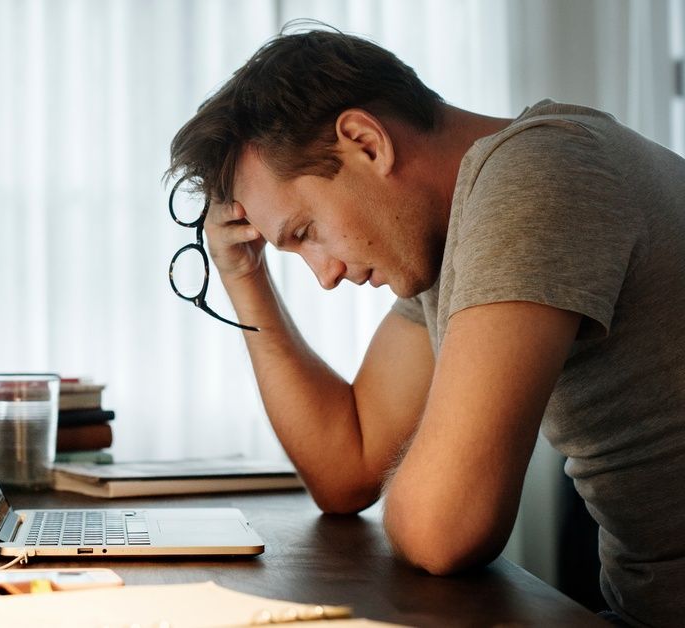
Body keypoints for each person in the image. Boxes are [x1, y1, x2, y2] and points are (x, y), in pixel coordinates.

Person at [166, 25, 685, 627]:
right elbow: (347, 470)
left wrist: (429, 488)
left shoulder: (540, 172)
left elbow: (445, 528)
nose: (325, 275)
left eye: (306, 232)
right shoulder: (451, 238)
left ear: (365, 142)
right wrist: (244, 275)